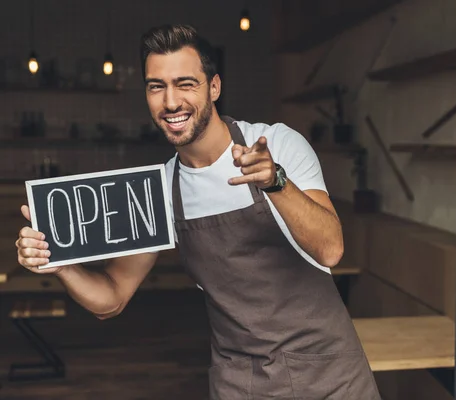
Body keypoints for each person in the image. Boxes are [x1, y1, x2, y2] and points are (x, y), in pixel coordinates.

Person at [15, 24, 381, 399]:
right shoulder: (157, 191)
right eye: (156, 86)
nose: (171, 102)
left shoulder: (279, 144)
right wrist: (59, 264)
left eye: (186, 83)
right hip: (242, 382)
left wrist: (276, 183)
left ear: (214, 87)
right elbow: (111, 298)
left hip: (331, 376)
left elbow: (330, 248)